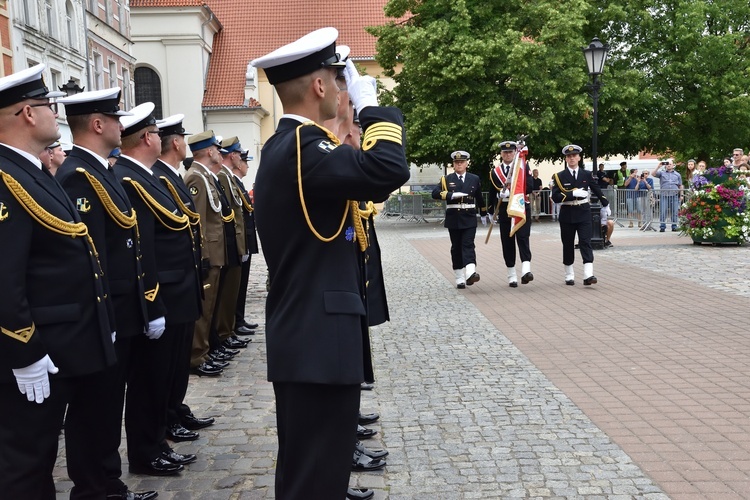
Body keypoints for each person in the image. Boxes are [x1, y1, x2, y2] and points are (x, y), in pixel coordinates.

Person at [250, 27, 409, 499]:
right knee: (314, 477)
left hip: (313, 336)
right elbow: (387, 170)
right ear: (320, 86)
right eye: (340, 82)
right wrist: (372, 107)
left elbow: (371, 184)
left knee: (319, 470)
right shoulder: (304, 149)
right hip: (316, 339)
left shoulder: (295, 148)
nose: (344, 91)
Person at [0, 64, 116, 499]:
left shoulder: (29, 171)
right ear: (28, 113)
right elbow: (4, 276)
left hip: (66, 345)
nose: (56, 114)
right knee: (26, 467)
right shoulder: (6, 177)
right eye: (49, 105)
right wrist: (23, 350)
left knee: (42, 459)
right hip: (36, 351)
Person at [55, 88, 159, 499]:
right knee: (93, 408)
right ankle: (95, 487)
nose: (122, 125)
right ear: (97, 125)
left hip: (119, 308)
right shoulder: (78, 176)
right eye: (116, 118)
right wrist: (105, 319)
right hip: (104, 312)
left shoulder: (100, 172)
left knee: (107, 404)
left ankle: (107, 482)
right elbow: (89, 255)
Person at [114, 102, 201, 476]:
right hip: (158, 294)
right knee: (149, 382)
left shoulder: (146, 176)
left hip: (173, 291)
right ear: (148, 138)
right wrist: (152, 301)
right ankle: (146, 451)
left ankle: (155, 444)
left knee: (160, 377)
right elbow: (143, 247)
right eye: (155, 133)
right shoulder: (132, 179)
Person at [153, 114, 221, 443]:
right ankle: (166, 417)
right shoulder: (159, 178)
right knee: (163, 367)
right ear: (177, 143)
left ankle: (175, 408)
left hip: (183, 282)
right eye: (181, 136)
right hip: (169, 287)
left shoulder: (174, 176)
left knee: (177, 363)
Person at [183, 130, 228, 377]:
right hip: (208, 251)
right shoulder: (196, 178)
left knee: (209, 308)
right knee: (204, 308)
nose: (219, 153)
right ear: (209, 151)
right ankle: (197, 356)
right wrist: (203, 255)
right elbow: (197, 221)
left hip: (215, 249)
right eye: (216, 149)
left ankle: (204, 350)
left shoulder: (204, 177)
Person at [550, 144, 609, 285]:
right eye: (569, 156)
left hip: (583, 212)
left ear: (579, 158)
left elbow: (597, 189)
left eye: (574, 156)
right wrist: (572, 194)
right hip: (567, 213)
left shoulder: (586, 174)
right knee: (568, 244)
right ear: (566, 159)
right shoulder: (559, 176)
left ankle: (588, 274)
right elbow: (555, 197)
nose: (572, 158)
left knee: (585, 242)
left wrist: (605, 204)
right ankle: (569, 274)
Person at [432, 150, 487, 288]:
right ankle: (459, 277)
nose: (459, 164)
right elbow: (435, 193)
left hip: (469, 216)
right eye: (457, 162)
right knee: (456, 247)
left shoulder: (474, 178)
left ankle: (470, 272)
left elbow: (479, 197)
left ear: (467, 163)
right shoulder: (447, 179)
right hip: (454, 217)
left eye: (462, 162)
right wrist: (450, 195)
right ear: (453, 164)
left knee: (468, 244)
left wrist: (485, 212)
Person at [489, 141, 533, 287]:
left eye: (510, 152)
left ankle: (526, 271)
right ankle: (511, 275)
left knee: (523, 238)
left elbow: (530, 186)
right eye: (505, 152)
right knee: (507, 243)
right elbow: (491, 193)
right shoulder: (495, 172)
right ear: (501, 154)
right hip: (505, 209)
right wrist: (490, 211)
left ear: (515, 153)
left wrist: (515, 191)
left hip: (521, 207)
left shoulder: (523, 166)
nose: (508, 154)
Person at [231, 148, 261, 336]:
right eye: (245, 161)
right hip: (237, 241)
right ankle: (234, 322)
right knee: (234, 288)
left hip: (245, 240)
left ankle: (238, 319)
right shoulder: (231, 181)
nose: (247, 165)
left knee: (240, 286)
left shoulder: (238, 183)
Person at [651, 159, 683, 232]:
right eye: (667, 164)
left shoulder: (677, 174)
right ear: (665, 165)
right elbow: (652, 174)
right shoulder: (661, 173)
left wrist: (681, 195)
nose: (669, 165)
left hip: (674, 195)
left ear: (673, 165)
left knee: (674, 211)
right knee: (663, 211)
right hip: (664, 195)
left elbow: (680, 185)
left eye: (670, 164)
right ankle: (662, 226)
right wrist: (658, 167)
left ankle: (674, 226)